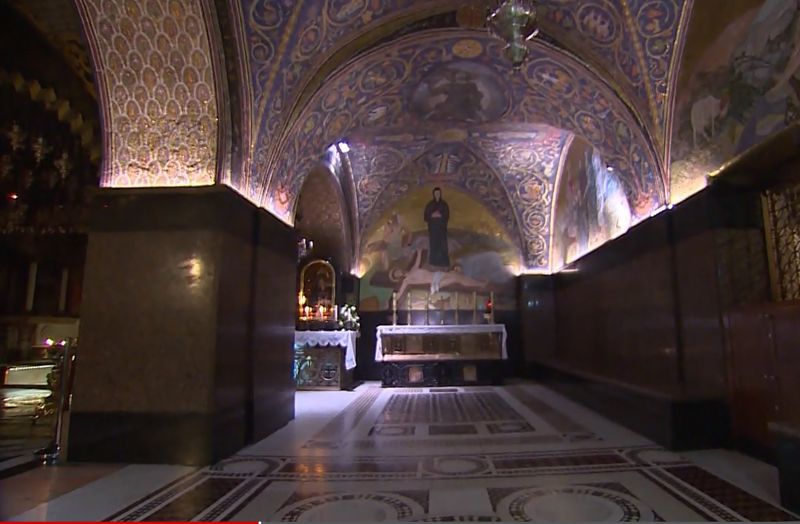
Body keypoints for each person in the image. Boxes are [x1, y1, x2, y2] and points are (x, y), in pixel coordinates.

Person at [423, 187, 450, 268]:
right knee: (434, 245)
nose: (437, 195)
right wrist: (432, 215)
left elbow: (447, 216)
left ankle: (444, 263)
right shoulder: (430, 204)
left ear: (440, 194)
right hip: (433, 229)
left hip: (442, 229)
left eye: (438, 193)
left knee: (443, 245)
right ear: (434, 194)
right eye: (436, 193)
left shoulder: (444, 204)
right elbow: (426, 217)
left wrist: (440, 215)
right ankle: (434, 262)